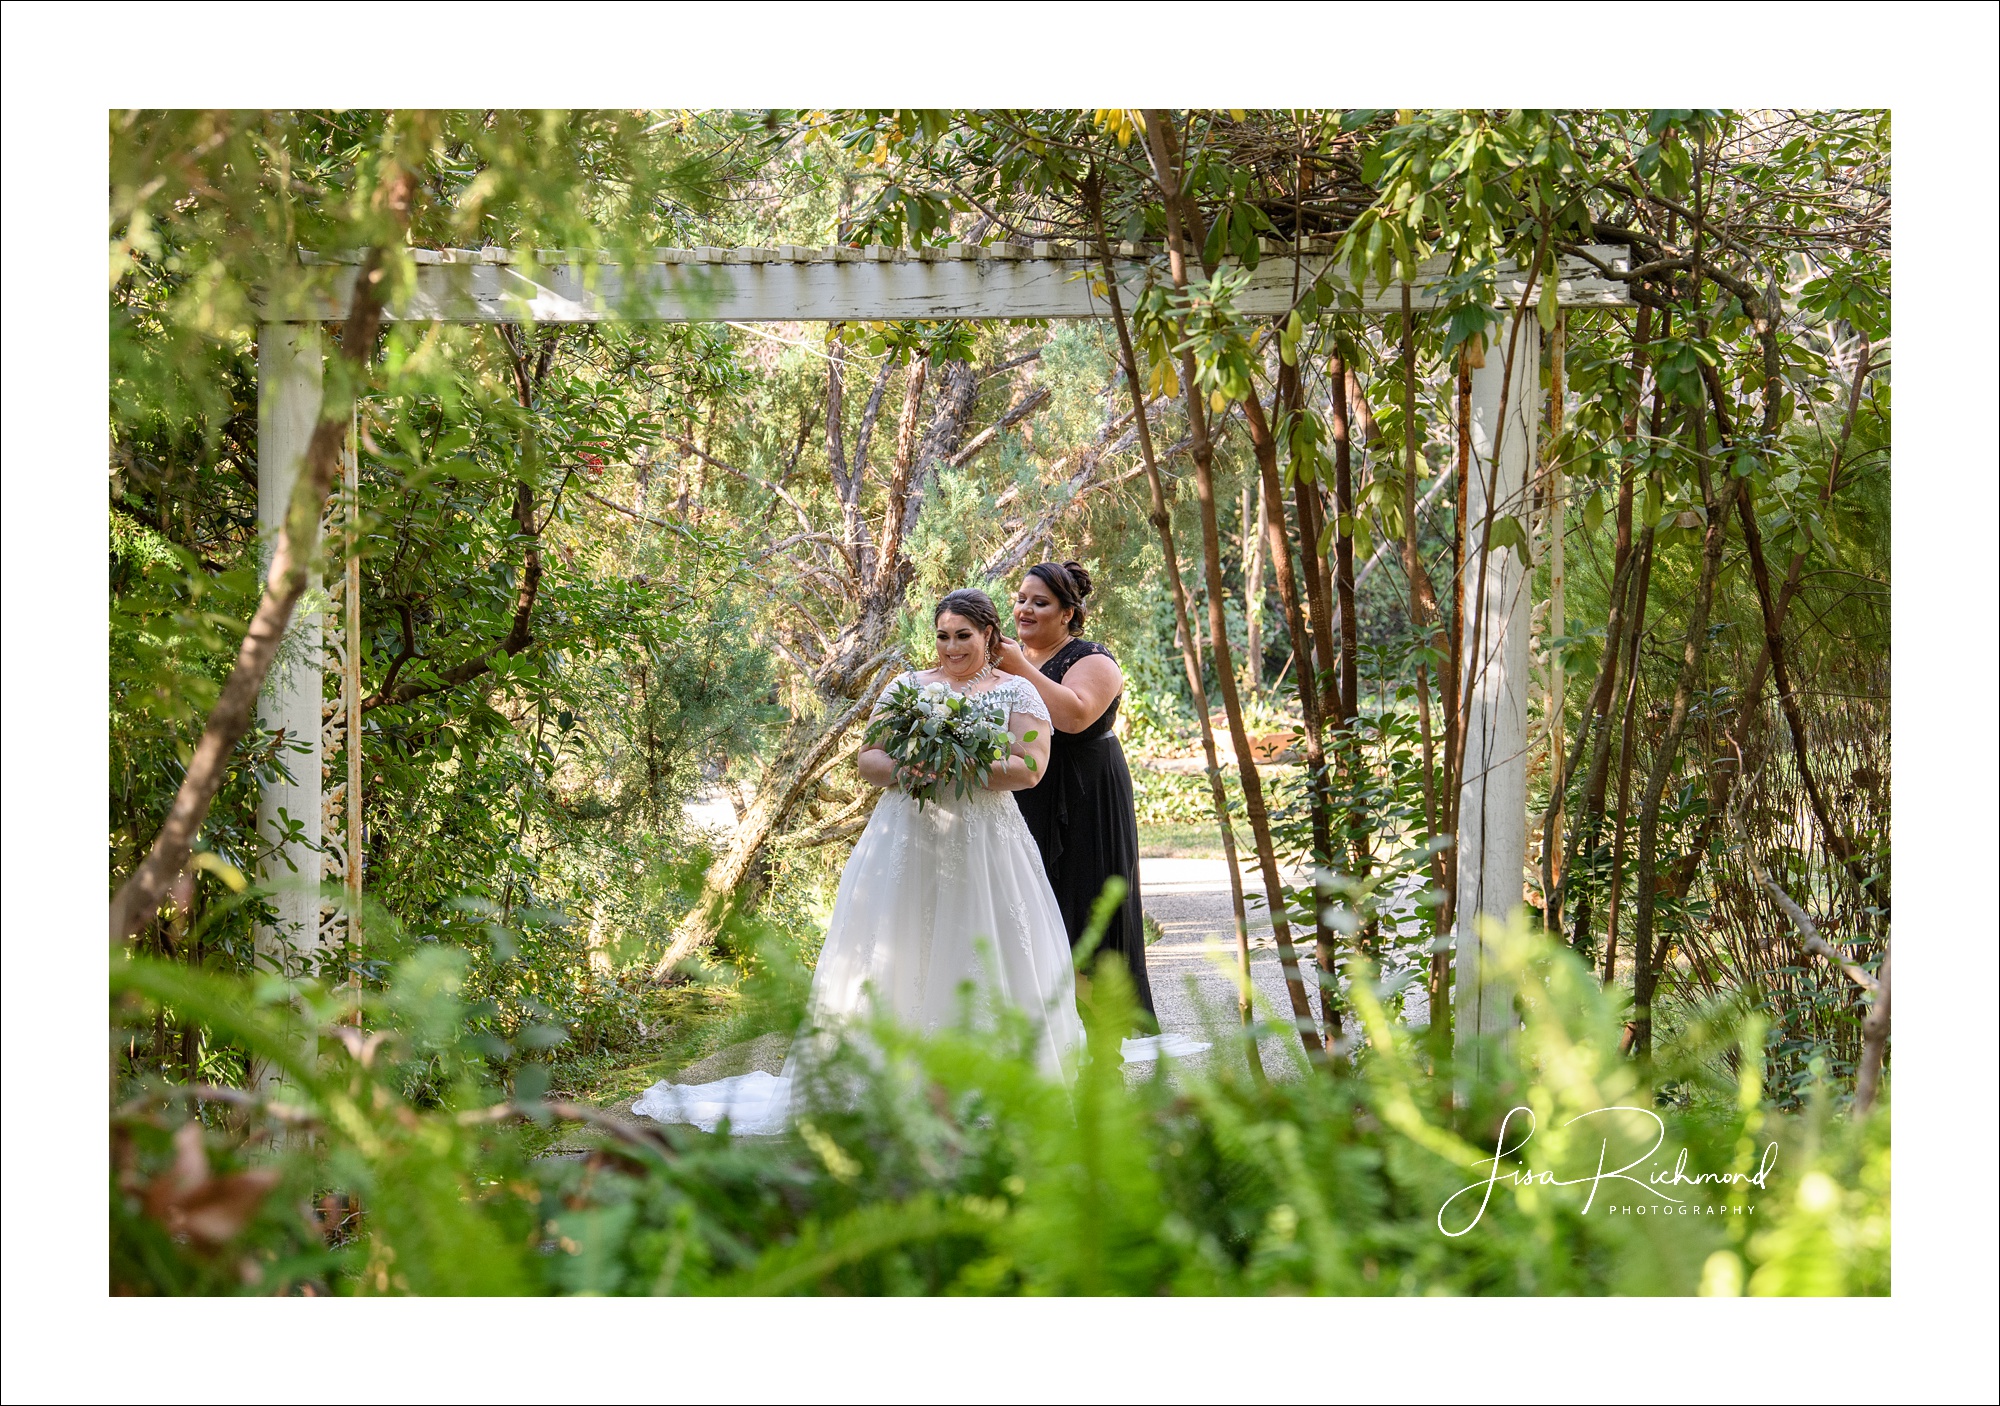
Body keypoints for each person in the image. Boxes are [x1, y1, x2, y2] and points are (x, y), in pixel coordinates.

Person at [632, 589, 1083, 1133]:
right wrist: (914, 764)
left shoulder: (1019, 692)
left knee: (979, 943)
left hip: (987, 840)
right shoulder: (908, 687)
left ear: (989, 636)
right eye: (942, 636)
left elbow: (1030, 768)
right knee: (903, 944)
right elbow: (870, 760)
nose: (951, 647)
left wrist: (955, 765)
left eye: (963, 635)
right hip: (909, 835)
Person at [998, 561, 1157, 1022]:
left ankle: (1103, 1052)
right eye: (1022, 598)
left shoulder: (1092, 659)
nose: (1025, 609)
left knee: (1084, 916)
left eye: (1040, 602)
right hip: (1028, 793)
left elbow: (1074, 716)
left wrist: (1018, 667)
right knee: (1032, 912)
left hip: (1087, 798)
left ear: (1068, 613)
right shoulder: (1010, 660)